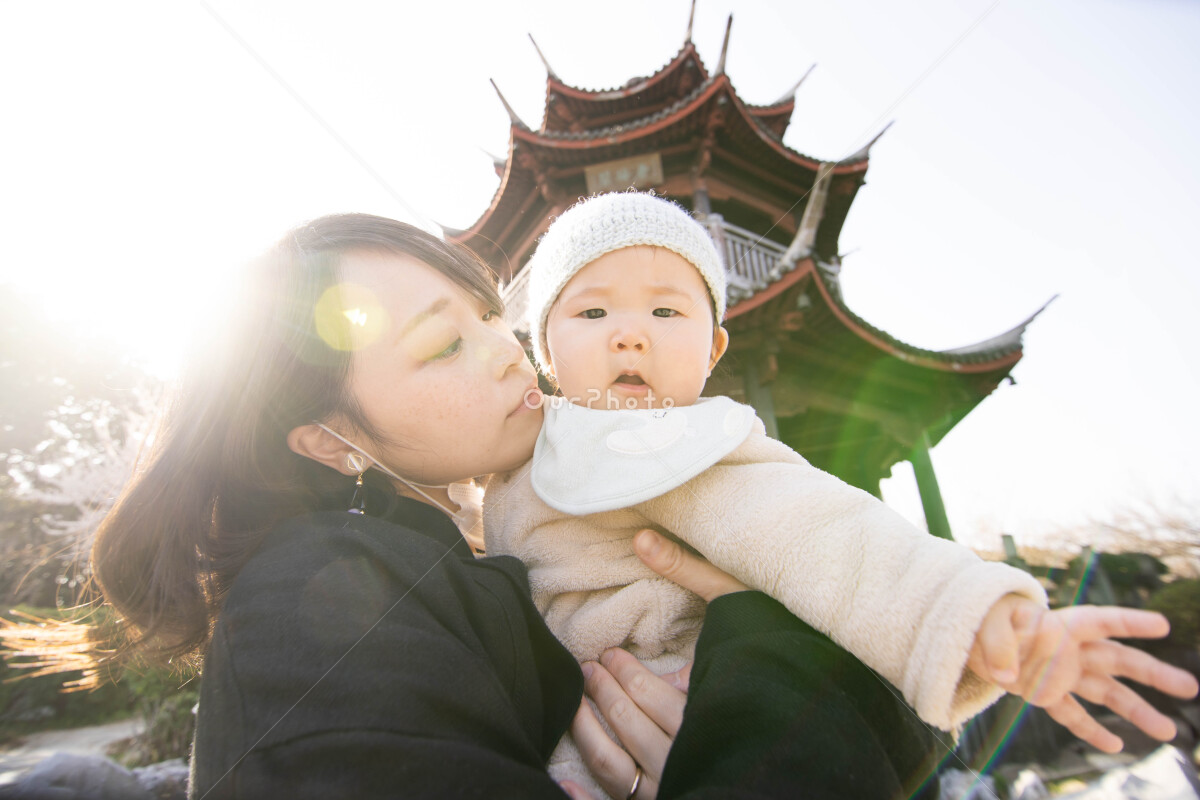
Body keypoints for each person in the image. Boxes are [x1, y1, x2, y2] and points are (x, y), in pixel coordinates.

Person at [32, 213, 952, 800]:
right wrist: (776, 698)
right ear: (326, 437)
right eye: (443, 348)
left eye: (487, 315)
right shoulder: (312, 608)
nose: (511, 350)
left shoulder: (473, 560)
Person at [483, 191, 1199, 793]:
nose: (630, 336)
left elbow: (820, 532)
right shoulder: (528, 447)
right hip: (561, 732)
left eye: (667, 313)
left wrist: (973, 618)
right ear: (544, 349)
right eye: (592, 313)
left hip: (695, 712)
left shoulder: (679, 447)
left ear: (713, 351)